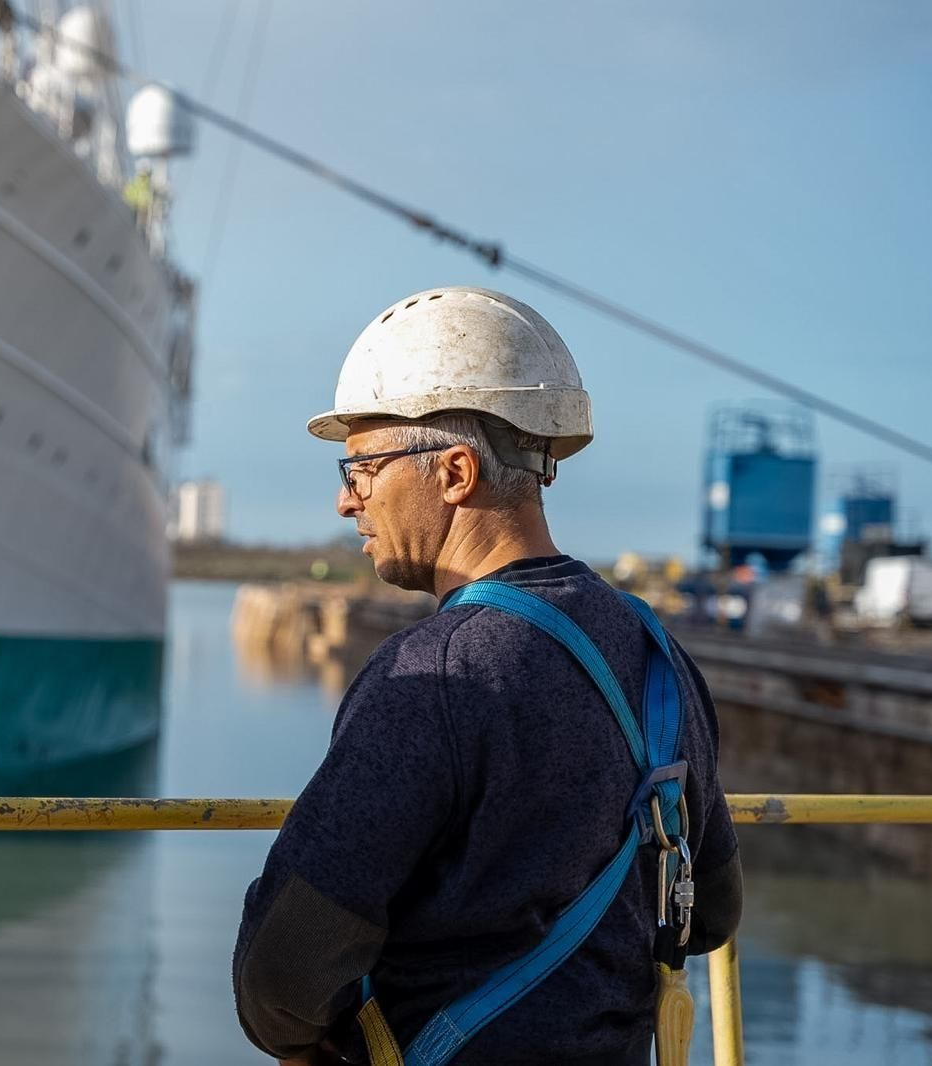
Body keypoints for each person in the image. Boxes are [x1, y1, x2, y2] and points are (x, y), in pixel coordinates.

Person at [233, 286, 742, 1065]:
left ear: (456, 472)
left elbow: (283, 977)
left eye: (363, 467)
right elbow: (709, 916)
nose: (345, 500)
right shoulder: (657, 655)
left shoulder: (434, 676)